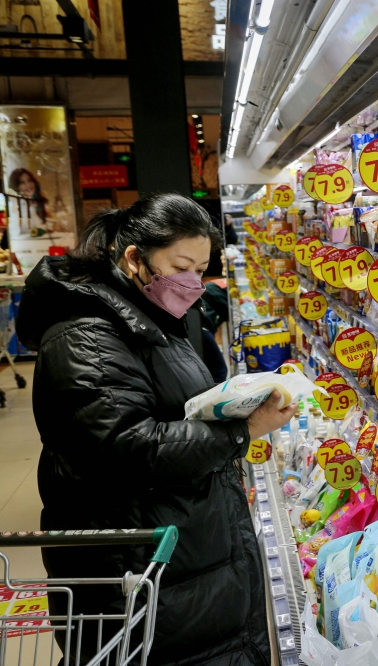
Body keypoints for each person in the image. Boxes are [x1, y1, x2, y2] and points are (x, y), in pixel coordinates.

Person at [15, 193, 295, 666]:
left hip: (180, 558)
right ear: (133, 259)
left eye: (202, 269)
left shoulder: (150, 317)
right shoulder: (85, 337)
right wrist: (242, 431)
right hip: (138, 577)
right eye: (182, 266)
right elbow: (126, 448)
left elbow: (169, 407)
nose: (193, 283)